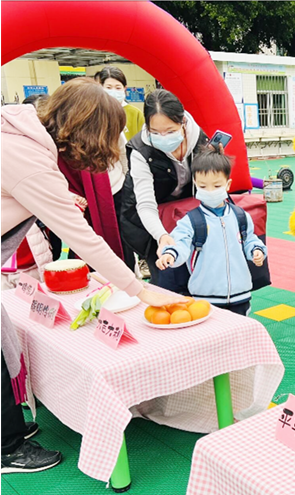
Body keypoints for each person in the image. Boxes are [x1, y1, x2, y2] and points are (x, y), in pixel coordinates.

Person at [1, 78, 181, 474]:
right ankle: (6, 448)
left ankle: (6, 430)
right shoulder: (30, 159)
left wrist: (58, 196)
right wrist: (139, 289)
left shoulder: (22, 131)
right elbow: (84, 239)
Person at [156, 147, 266, 316]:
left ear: (228, 184)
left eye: (216, 185)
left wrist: (256, 250)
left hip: (241, 296)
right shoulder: (191, 220)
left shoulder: (240, 216)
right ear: (195, 183)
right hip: (205, 298)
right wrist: (170, 254)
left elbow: (249, 239)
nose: (210, 191)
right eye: (203, 186)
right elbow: (180, 242)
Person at [120, 89, 211, 286]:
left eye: (170, 131)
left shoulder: (199, 139)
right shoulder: (140, 151)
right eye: (155, 132)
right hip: (149, 220)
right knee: (166, 277)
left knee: (198, 272)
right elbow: (145, 204)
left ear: (183, 122)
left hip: (184, 214)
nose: (163, 137)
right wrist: (161, 236)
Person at [98, 66, 145, 141]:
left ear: (125, 88)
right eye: (109, 88)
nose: (113, 91)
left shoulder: (135, 114)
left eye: (118, 88)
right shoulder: (96, 112)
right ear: (101, 87)